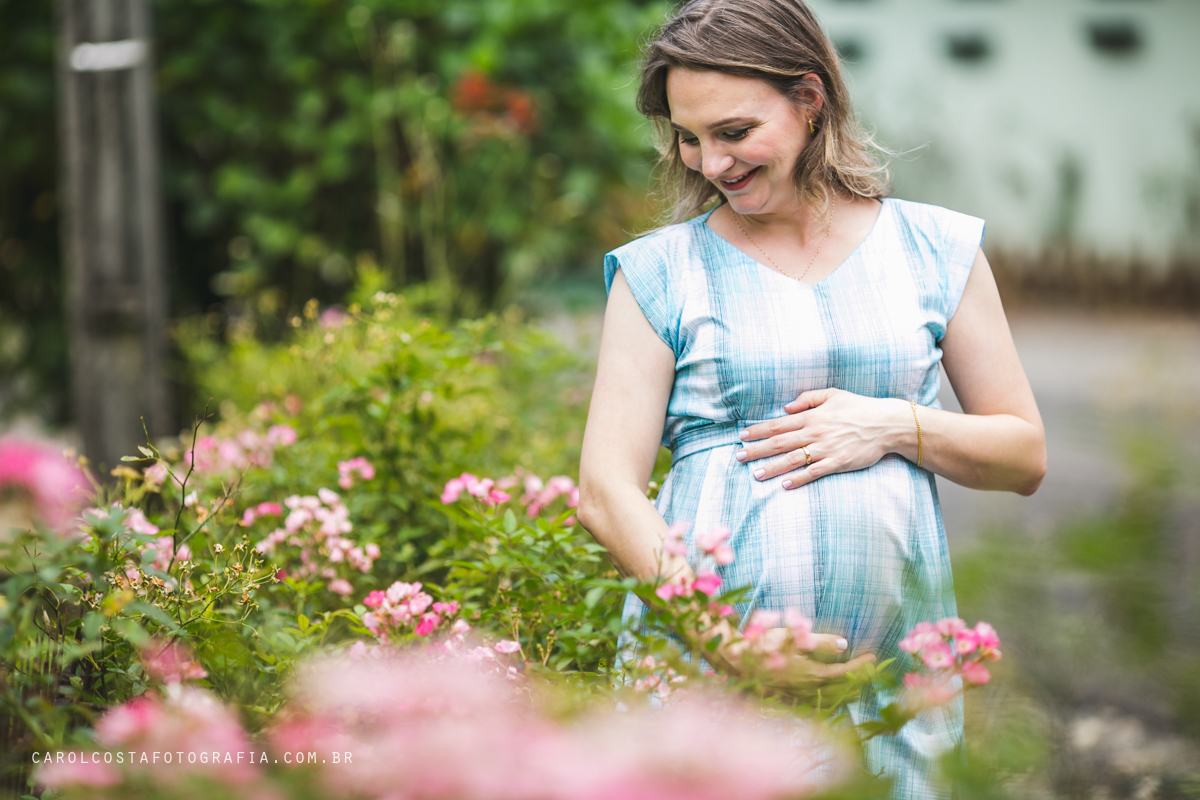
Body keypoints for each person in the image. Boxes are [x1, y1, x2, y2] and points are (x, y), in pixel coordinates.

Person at [576, 0, 1046, 797]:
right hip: (708, 671)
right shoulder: (660, 272)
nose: (709, 163)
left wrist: (894, 425)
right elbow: (604, 490)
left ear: (809, 98)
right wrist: (725, 639)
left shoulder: (936, 247)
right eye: (688, 138)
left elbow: (1024, 454)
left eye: (732, 132)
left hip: (894, 686)